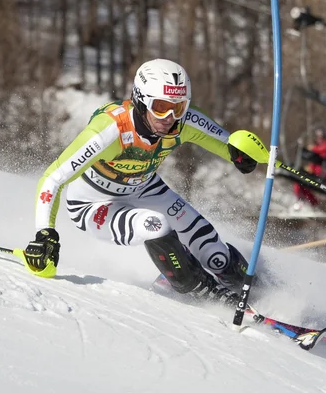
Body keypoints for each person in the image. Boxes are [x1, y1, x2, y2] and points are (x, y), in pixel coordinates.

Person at [23, 58, 258, 307]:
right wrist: (45, 233)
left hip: (145, 189)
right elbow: (53, 178)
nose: (169, 117)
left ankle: (250, 286)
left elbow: (229, 144)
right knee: (155, 225)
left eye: (178, 108)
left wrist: (246, 155)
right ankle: (198, 290)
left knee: (216, 255)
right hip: (95, 204)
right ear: (140, 99)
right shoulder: (109, 131)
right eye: (160, 107)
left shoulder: (182, 123)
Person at [292, 127, 326, 210]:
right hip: (315, 174)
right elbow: (314, 163)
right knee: (300, 184)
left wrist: (313, 148)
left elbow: (324, 152)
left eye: (320, 137)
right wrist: (309, 168)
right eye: (318, 137)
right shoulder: (318, 148)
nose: (319, 139)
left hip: (322, 175)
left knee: (302, 182)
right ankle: (308, 202)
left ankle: (312, 203)